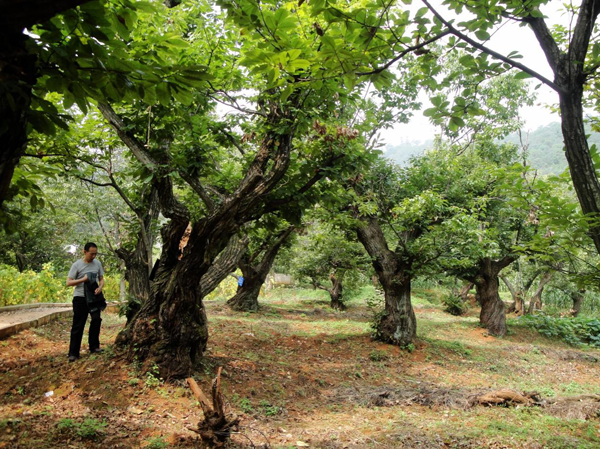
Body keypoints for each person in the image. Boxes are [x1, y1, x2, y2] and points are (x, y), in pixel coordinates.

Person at [66, 242, 105, 362]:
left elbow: (101, 279)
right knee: (78, 324)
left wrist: (100, 287)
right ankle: (73, 353)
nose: (93, 256)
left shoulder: (97, 263)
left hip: (94, 298)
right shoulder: (77, 265)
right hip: (80, 298)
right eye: (91, 254)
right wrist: (83, 279)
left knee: (96, 319)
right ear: (84, 252)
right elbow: (68, 282)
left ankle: (94, 346)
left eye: (95, 254)